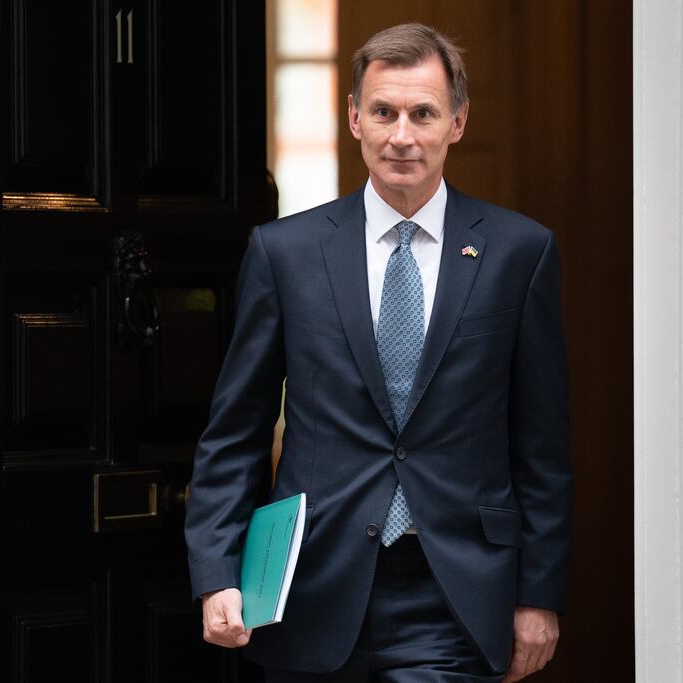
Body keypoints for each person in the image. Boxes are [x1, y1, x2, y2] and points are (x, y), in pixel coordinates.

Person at [185, 22, 572, 683]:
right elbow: (236, 431)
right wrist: (217, 571)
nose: (402, 135)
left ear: (457, 121)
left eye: (423, 113)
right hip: (310, 588)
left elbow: (543, 446)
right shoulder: (284, 253)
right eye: (384, 112)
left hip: (455, 589)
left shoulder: (518, 252)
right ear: (354, 119)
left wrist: (539, 594)